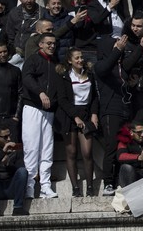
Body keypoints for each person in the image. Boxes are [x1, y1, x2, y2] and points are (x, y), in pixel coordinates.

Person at [94, 17, 143, 196]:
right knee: (111, 147)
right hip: (110, 111)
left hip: (125, 110)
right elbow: (105, 68)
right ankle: (108, 183)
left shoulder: (120, 68)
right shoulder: (101, 66)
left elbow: (127, 65)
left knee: (124, 146)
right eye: (114, 46)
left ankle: (124, 179)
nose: (118, 48)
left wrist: (140, 47)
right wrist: (117, 50)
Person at [55, 48, 99, 197]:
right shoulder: (64, 76)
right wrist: (75, 117)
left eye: (81, 57)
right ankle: (75, 188)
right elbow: (62, 100)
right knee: (71, 152)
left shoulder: (90, 75)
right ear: (70, 61)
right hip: (69, 116)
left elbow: (94, 97)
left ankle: (91, 187)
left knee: (87, 152)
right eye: (77, 58)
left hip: (86, 114)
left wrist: (93, 114)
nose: (80, 60)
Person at [20, 32, 60, 198]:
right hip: (33, 108)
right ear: (41, 44)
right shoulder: (33, 60)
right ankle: (29, 187)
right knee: (32, 147)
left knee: (47, 149)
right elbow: (27, 78)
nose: (52, 46)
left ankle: (45, 185)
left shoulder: (55, 62)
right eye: (48, 43)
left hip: (48, 111)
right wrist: (40, 93)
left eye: (53, 43)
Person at [0, 124, 29, 216]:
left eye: (9, 136)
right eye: (5, 137)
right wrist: (3, 152)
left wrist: (8, 164)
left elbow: (21, 170)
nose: (8, 139)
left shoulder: (15, 150)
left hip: (11, 188)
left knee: (23, 171)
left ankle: (18, 207)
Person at [0, 42, 22, 141]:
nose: (3, 54)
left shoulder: (15, 71)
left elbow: (21, 93)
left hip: (11, 116)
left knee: (13, 150)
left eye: (5, 51)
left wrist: (17, 115)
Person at [4, 0, 41, 64]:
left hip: (36, 54)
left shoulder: (42, 13)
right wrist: (13, 49)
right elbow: (10, 34)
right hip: (18, 55)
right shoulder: (14, 13)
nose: (29, 1)